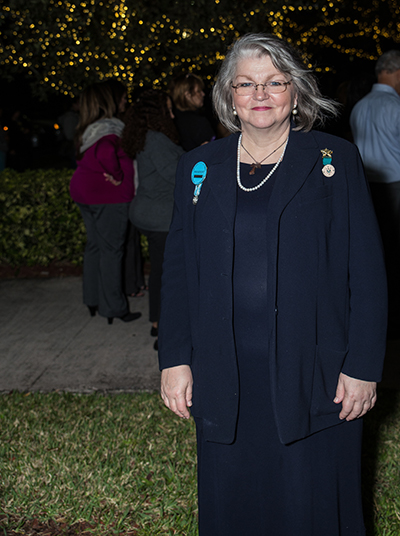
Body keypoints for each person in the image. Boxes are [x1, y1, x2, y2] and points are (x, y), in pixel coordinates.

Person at [159, 33, 387, 536]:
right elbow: (177, 271)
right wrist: (175, 358)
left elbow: (366, 271)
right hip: (226, 372)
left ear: (296, 93)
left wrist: (363, 365)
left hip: (317, 373)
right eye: (247, 84)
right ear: (229, 96)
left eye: (274, 82)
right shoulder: (198, 168)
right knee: (235, 502)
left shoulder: (334, 160)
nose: (260, 94)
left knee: (314, 503)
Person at [69, 82, 141, 325]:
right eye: (122, 99)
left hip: (84, 192)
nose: (125, 102)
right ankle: (114, 308)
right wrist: (118, 176)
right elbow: (105, 153)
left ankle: (92, 299)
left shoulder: (89, 128)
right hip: (108, 196)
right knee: (112, 251)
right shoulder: (110, 129)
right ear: (109, 101)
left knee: (95, 247)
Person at [121, 89, 184, 350]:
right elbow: (176, 173)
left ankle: (158, 322)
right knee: (165, 273)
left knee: (160, 271)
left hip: (148, 212)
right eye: (168, 108)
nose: (172, 113)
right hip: (159, 217)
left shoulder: (147, 136)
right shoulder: (156, 139)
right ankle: (161, 327)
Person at [350, 50, 400, 338]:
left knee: (376, 250)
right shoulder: (394, 106)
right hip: (393, 185)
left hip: (367, 185)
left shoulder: (360, 107)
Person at [169, 73, 216, 151]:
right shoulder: (198, 122)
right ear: (188, 95)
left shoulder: (171, 119)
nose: (203, 94)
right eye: (199, 91)